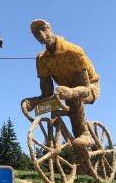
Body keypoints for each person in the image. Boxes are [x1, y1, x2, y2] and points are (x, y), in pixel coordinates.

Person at [28, 19, 100, 147]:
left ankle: (86, 134)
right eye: (36, 34)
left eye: (43, 29)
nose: (41, 35)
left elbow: (86, 89)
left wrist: (71, 91)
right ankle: (57, 140)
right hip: (62, 92)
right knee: (52, 105)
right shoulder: (42, 59)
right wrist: (32, 103)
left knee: (74, 99)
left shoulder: (73, 51)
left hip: (90, 87)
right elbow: (47, 93)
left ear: (50, 29)